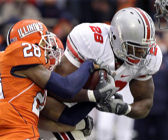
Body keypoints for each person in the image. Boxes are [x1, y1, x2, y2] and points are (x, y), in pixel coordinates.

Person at [39, 7, 162, 140]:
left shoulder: (150, 58)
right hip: (46, 104)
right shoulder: (90, 40)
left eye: (145, 49)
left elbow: (145, 103)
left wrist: (124, 109)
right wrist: (94, 96)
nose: (142, 55)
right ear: (117, 38)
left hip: (78, 110)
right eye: (135, 49)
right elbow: (57, 90)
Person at [0, 19, 114, 140]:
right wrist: (90, 64)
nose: (50, 45)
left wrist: (97, 96)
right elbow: (67, 88)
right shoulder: (18, 53)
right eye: (44, 42)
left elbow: (68, 118)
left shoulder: (25, 84)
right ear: (29, 45)